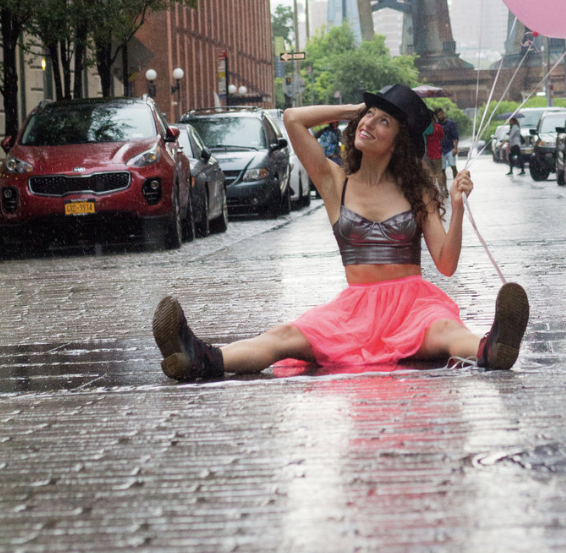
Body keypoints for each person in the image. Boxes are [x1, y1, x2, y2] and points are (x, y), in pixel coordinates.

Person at [151, 85, 529, 380]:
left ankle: (491, 348)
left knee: (447, 331)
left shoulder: (420, 191)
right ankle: (198, 357)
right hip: (353, 311)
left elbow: (445, 264)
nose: (369, 124)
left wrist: (457, 206)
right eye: (369, 116)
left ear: (398, 142)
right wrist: (358, 110)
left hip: (413, 307)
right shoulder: (336, 183)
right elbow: (293, 118)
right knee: (283, 337)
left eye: (384, 121)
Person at [424, 110, 446, 198]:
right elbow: (441, 137)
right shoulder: (438, 127)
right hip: (437, 152)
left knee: (431, 174)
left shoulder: (424, 129)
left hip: (427, 153)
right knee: (439, 172)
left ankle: (435, 193)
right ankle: (442, 190)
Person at [437, 108, 459, 179]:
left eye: (440, 114)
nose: (439, 116)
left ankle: (456, 184)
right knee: (442, 170)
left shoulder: (451, 124)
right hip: (440, 150)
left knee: (453, 167)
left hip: (450, 149)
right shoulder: (436, 125)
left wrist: (455, 148)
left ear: (443, 113)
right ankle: (445, 188)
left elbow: (455, 136)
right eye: (438, 115)